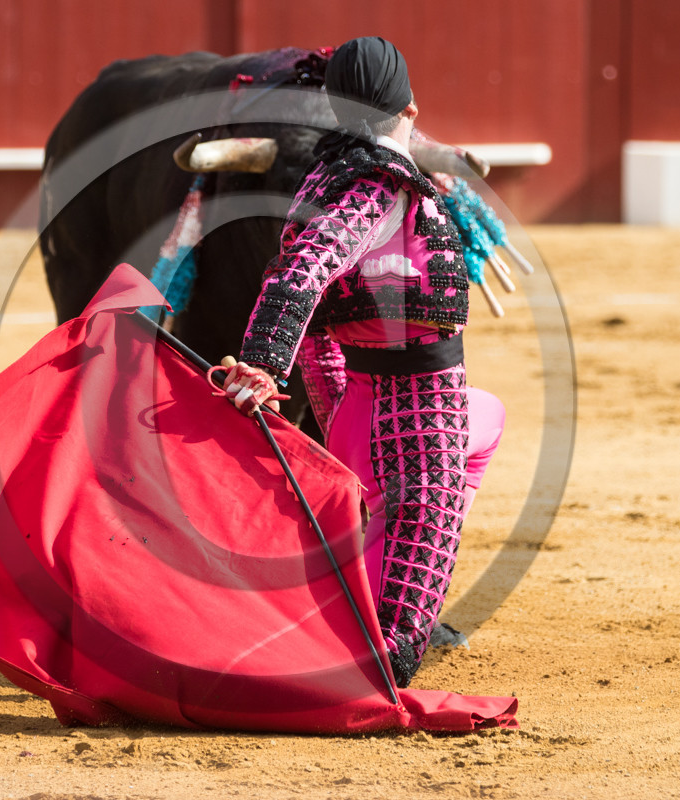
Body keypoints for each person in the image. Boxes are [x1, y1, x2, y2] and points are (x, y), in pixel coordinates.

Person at [220, 37, 505, 687]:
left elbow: (313, 297)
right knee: (393, 650)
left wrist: (341, 414)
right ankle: (352, 607)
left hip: (371, 412)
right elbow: (302, 272)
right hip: (415, 427)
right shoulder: (377, 182)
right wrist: (265, 362)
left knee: (488, 418)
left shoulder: (330, 176)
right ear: (410, 108)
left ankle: (367, 552)